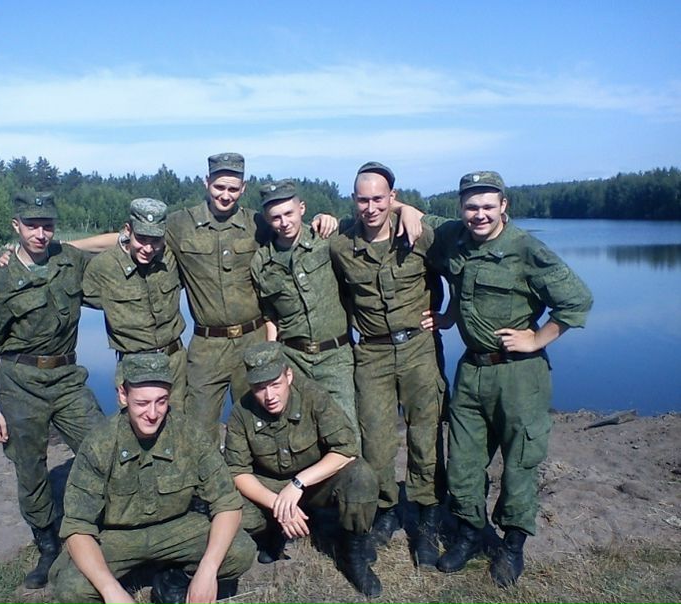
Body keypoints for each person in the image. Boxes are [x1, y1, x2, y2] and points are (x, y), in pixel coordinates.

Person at [421, 171, 593, 586]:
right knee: (463, 461)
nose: (479, 215)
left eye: (487, 206)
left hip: (519, 375)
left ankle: (512, 546)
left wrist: (537, 338)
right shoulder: (454, 238)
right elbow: (419, 224)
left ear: (504, 206)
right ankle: (470, 534)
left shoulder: (526, 249)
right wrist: (450, 316)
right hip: (471, 371)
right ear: (460, 208)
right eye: (471, 207)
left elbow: (577, 300)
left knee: (519, 463)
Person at [49, 352, 256, 604]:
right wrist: (109, 589)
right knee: (71, 587)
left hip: (178, 529)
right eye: (142, 403)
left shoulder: (189, 433)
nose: (153, 413)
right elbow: (77, 527)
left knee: (240, 551)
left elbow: (227, 503)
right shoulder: (99, 444)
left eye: (161, 401)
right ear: (123, 395)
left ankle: (176, 579)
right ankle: (124, 580)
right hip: (119, 537)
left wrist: (208, 569)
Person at [0, 191, 105, 589]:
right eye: (31, 225)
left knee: (103, 446)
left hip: (67, 377)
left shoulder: (69, 259)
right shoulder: (0, 279)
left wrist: (72, 244)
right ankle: (47, 546)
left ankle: (105, 523)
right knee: (30, 468)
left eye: (47, 225)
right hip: (20, 384)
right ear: (16, 226)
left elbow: (117, 241)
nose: (40, 233)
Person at [165, 154, 337, 445]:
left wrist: (325, 219)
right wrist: (120, 240)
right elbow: (140, 239)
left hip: (254, 339)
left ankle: (258, 472)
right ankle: (205, 475)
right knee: (198, 427)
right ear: (206, 182)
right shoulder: (180, 224)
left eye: (233, 189)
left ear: (243, 188)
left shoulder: (258, 223)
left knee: (263, 423)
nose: (226, 195)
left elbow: (295, 230)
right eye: (219, 187)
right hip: (207, 347)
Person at [329, 162, 447, 568]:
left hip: (418, 348)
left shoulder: (418, 233)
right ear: (353, 200)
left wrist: (449, 315)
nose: (371, 207)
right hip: (372, 353)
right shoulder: (341, 246)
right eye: (363, 200)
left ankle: (427, 516)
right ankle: (387, 510)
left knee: (425, 436)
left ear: (392, 198)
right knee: (376, 441)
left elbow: (461, 261)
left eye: (379, 199)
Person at [224, 341, 382, 597]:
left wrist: (298, 483)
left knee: (361, 476)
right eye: (260, 388)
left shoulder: (313, 396)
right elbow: (237, 471)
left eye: (275, 384)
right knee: (230, 508)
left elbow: (346, 449)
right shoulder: (242, 411)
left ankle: (352, 553)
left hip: (315, 482)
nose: (269, 396)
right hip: (271, 489)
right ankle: (272, 532)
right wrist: (280, 505)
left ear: (288, 375)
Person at [250, 179, 360, 447]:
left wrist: (331, 218)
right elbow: (270, 317)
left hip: (336, 356)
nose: (284, 222)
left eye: (289, 213)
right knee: (303, 434)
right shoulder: (262, 263)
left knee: (346, 431)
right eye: (275, 217)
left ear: (302, 208)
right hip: (294, 358)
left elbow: (369, 222)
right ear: (267, 219)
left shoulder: (327, 239)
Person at [82, 198, 187, 408]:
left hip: (174, 361)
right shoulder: (103, 267)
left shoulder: (170, 258)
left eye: (155, 240)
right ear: (128, 230)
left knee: (179, 420)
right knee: (134, 425)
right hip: (134, 365)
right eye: (141, 238)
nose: (148, 248)